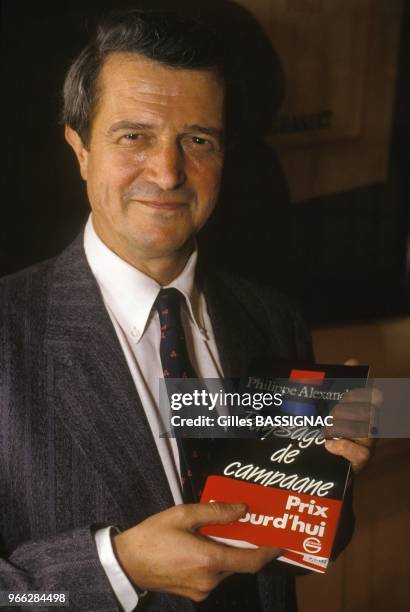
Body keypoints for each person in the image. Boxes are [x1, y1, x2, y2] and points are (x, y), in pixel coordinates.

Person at [0, 9, 375, 612]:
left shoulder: (273, 317)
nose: (169, 172)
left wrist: (329, 482)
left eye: (197, 140)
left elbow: (294, 557)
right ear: (80, 149)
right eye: (134, 136)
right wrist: (117, 568)